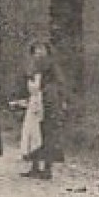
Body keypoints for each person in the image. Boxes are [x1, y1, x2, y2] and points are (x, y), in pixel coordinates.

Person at [21, 39, 63, 180]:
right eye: (36, 49)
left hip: (48, 103)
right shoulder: (32, 65)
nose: (39, 52)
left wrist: (45, 93)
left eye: (42, 49)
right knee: (33, 133)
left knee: (48, 134)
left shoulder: (52, 66)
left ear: (47, 51)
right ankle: (34, 166)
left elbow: (57, 84)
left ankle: (47, 168)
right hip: (35, 103)